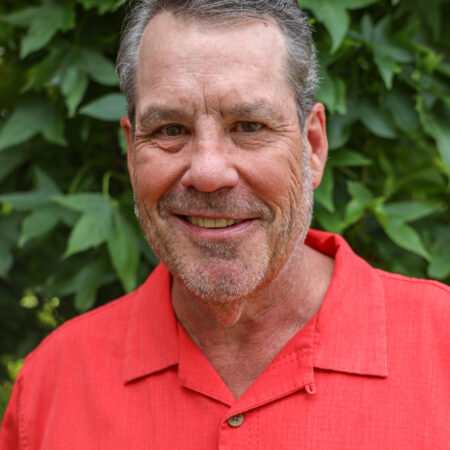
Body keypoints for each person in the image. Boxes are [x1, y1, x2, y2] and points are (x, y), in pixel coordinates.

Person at [1, 1, 449, 448]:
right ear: (132, 155)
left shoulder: (441, 346)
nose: (209, 173)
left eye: (249, 126)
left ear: (313, 146)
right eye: (170, 130)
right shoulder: (53, 383)